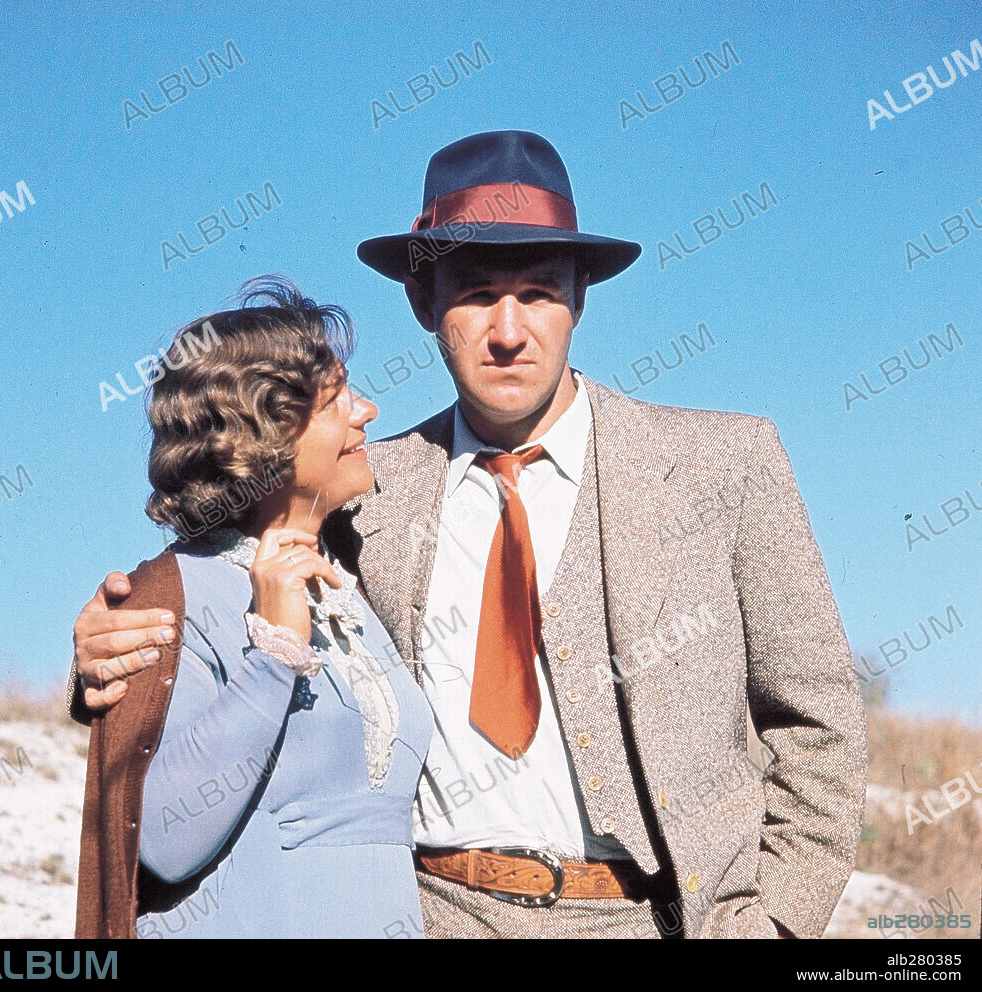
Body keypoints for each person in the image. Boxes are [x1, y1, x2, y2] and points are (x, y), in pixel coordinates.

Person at [70, 131, 868, 939]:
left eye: (540, 292)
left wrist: (778, 926)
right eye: (479, 294)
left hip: (656, 920)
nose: (510, 331)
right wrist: (113, 651)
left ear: (581, 297)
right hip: (429, 915)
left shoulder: (721, 464)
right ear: (424, 303)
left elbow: (819, 719)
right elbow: (214, 588)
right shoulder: (356, 483)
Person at [73, 277, 433, 938]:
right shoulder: (174, 591)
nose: (369, 411)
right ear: (264, 432)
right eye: (336, 400)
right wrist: (274, 653)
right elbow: (160, 839)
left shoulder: (351, 587)